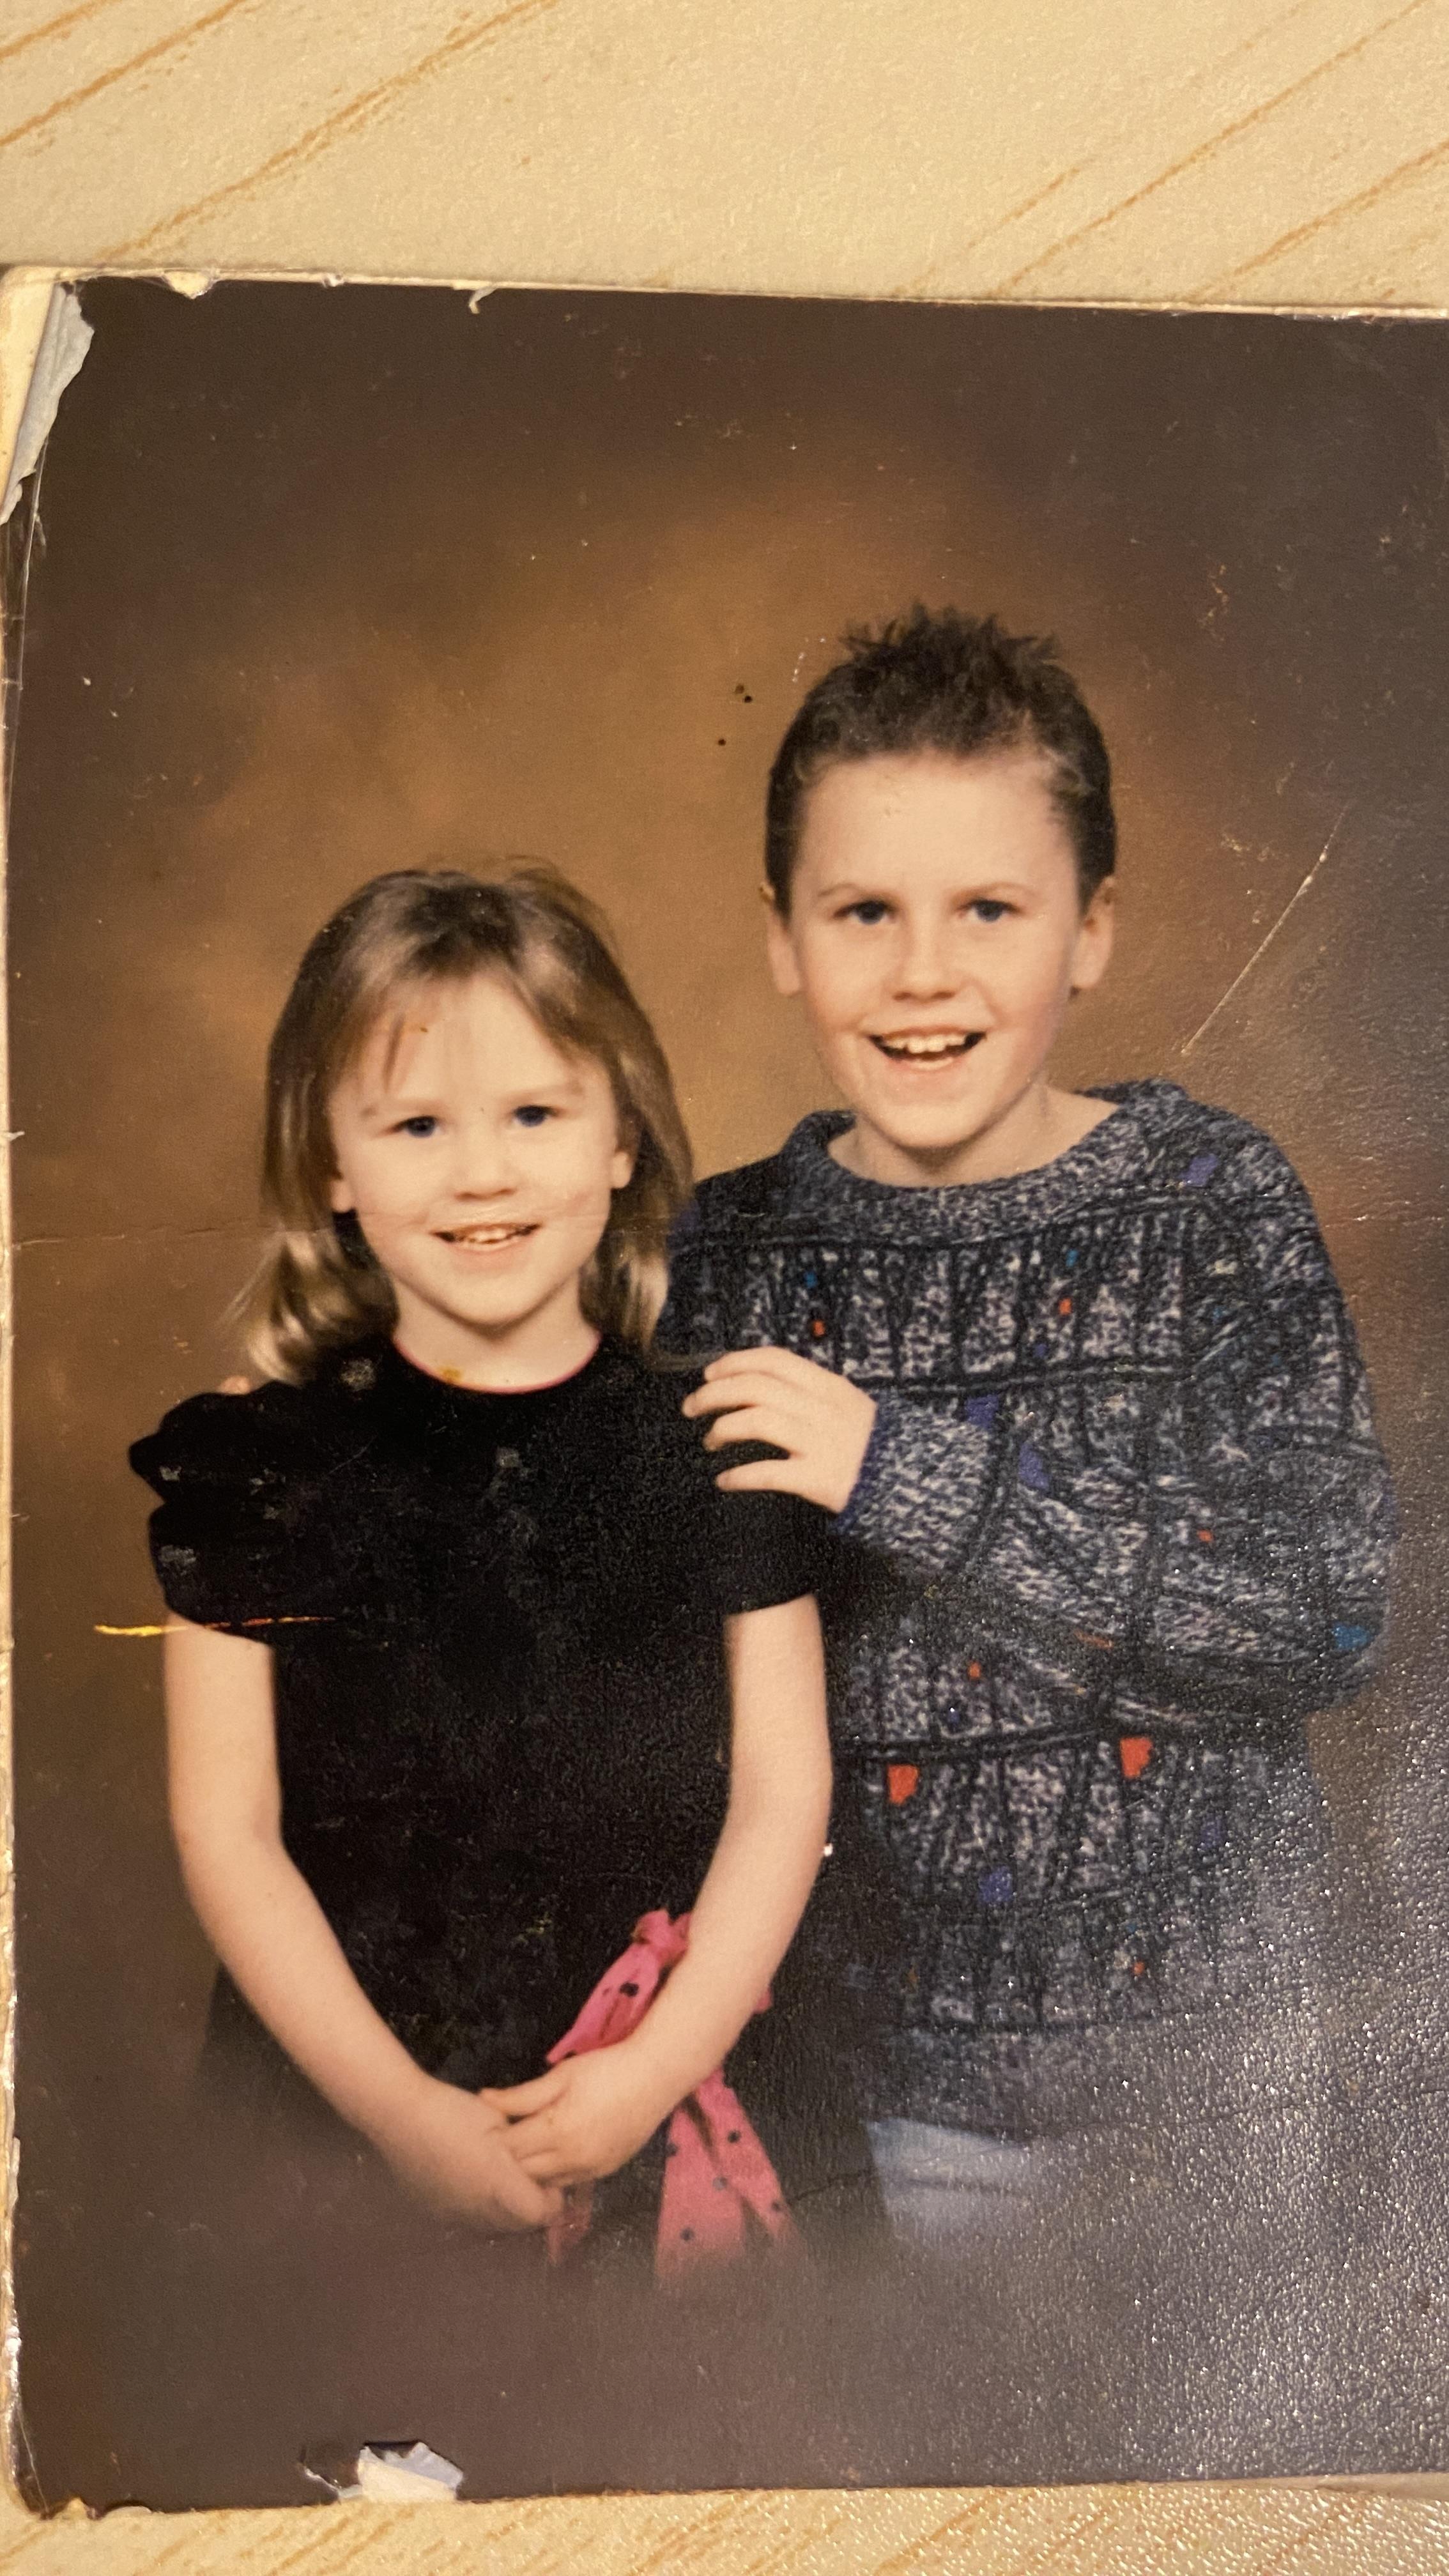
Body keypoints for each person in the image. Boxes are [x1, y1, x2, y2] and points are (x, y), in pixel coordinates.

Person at [662, 608, 1398, 2453]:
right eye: (863, 911)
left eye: (988, 908)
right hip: (885, 2110)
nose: (924, 974)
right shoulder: (726, 1252)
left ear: (1092, 929)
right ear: (780, 938)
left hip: (1229, 2098)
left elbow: (1325, 1611)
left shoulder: (1210, 1200)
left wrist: (897, 1469)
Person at [130, 864, 835, 2269]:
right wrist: (402, 2120)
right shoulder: (258, 1464)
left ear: (622, 1138)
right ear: (332, 1165)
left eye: (533, 1114)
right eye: (417, 1125)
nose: (483, 1174)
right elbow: (227, 1830)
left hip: (648, 2110)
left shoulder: (723, 1448)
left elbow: (781, 1800)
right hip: (341, 2120)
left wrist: (649, 2078)